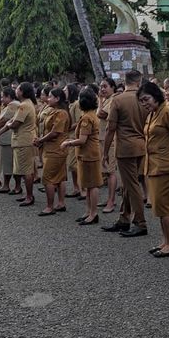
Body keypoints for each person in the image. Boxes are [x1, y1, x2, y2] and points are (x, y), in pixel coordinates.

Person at [137, 82, 169, 257]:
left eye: (147, 99)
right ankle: (165, 241)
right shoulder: (152, 114)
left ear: (156, 96)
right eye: (141, 101)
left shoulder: (167, 112)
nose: (144, 103)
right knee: (159, 206)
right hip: (154, 165)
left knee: (165, 207)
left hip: (166, 166)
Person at [102, 70, 148, 236]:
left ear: (125, 81)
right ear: (139, 81)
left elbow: (110, 128)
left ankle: (140, 222)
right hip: (141, 145)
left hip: (125, 147)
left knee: (131, 185)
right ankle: (124, 218)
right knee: (129, 183)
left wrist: (105, 152)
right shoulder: (145, 99)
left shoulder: (118, 99)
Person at [64, 89, 103, 225]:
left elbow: (82, 140)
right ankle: (88, 212)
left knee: (92, 185)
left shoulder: (87, 118)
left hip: (88, 154)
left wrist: (68, 143)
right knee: (87, 185)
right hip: (87, 154)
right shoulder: (90, 114)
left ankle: (93, 213)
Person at [0, 82, 38, 207]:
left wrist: (9, 125)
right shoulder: (25, 104)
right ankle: (27, 194)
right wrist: (0, 131)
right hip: (22, 141)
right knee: (24, 170)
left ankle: (29, 196)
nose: (16, 91)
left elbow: (14, 123)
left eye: (18, 89)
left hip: (24, 141)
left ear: (22, 92)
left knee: (26, 171)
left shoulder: (24, 105)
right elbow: (12, 121)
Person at [35, 88, 70, 216]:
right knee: (59, 177)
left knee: (48, 178)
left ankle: (50, 207)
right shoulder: (53, 111)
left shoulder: (61, 113)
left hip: (55, 149)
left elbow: (55, 132)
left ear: (57, 99)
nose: (48, 99)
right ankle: (61, 203)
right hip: (52, 148)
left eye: (50, 96)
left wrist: (40, 140)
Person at [0, 87, 21, 195]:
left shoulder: (14, 105)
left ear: (9, 96)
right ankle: (7, 185)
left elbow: (4, 120)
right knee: (6, 164)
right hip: (6, 138)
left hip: (8, 139)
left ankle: (14, 186)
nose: (1, 99)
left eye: (3, 97)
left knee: (10, 164)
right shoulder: (10, 105)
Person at [97, 78, 118, 213]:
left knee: (111, 172)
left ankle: (111, 201)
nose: (102, 89)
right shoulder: (106, 99)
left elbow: (101, 114)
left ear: (113, 87)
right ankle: (109, 199)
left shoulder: (113, 99)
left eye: (105, 86)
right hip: (102, 139)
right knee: (105, 171)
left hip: (110, 141)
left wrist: (99, 100)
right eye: (101, 87)